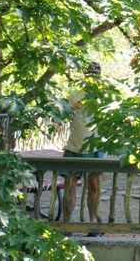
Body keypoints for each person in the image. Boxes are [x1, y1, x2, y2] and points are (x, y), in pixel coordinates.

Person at [63, 64, 102, 229]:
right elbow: (63, 113)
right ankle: (67, 223)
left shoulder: (104, 96)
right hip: (74, 147)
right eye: (90, 74)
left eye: (96, 75)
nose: (93, 77)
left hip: (94, 146)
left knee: (94, 186)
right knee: (69, 186)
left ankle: (93, 223)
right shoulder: (74, 95)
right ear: (85, 75)